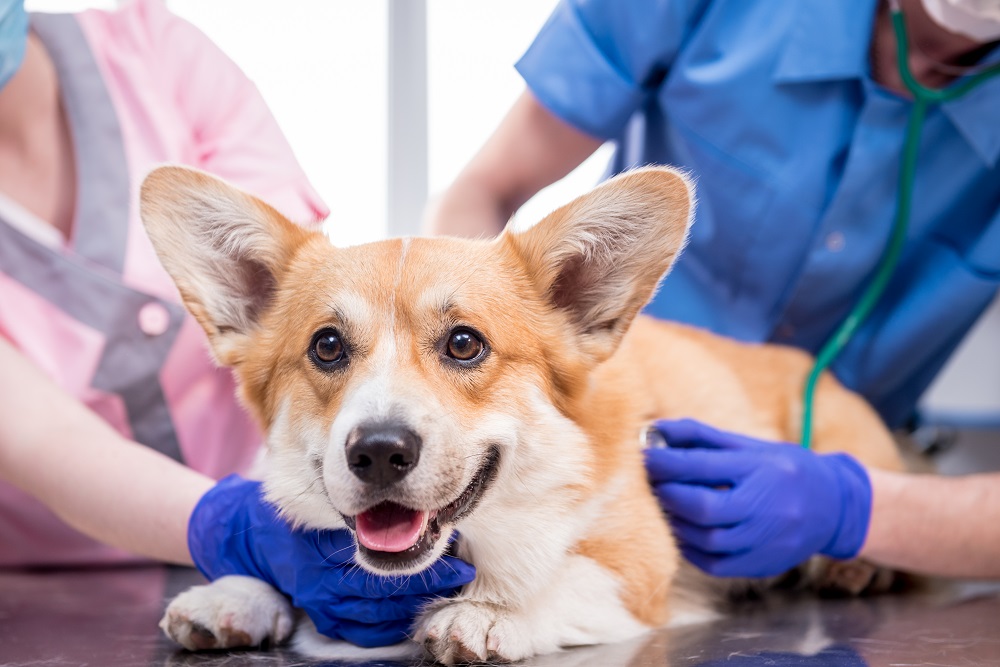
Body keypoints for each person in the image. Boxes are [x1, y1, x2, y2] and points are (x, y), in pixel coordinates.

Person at [425, 0, 1000, 579]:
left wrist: (852, 509)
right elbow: (488, 187)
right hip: (609, 414)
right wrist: (442, 419)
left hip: (846, 473)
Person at [0, 0, 472, 648]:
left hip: (321, 510)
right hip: (42, 593)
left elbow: (300, 302)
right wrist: (235, 529)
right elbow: (42, 434)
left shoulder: (155, 56)